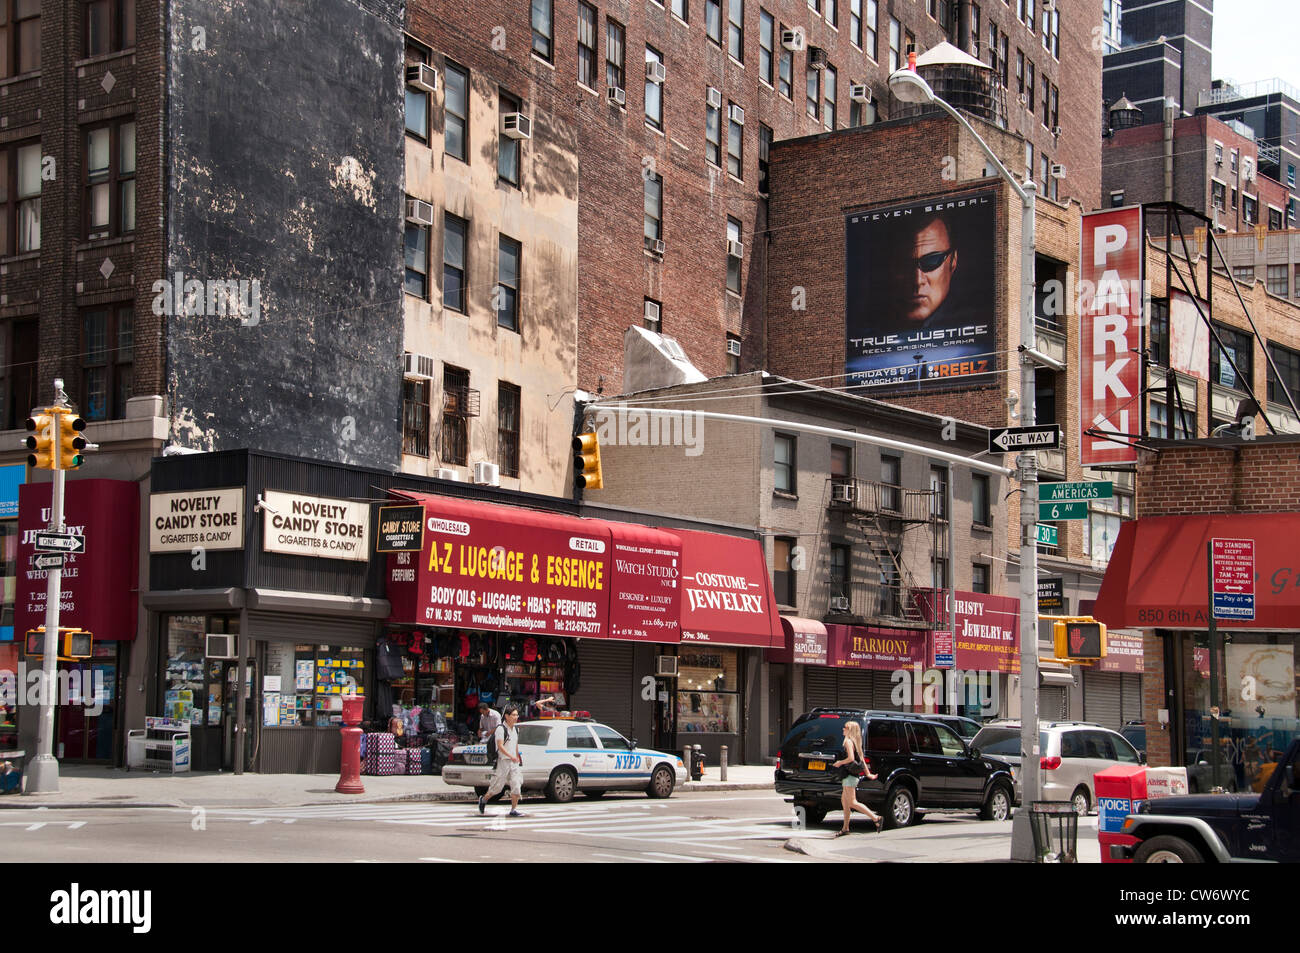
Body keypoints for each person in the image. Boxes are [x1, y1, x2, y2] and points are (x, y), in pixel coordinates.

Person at [831, 721, 882, 836]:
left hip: (849, 776)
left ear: (850, 730)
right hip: (851, 776)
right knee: (845, 801)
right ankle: (845, 828)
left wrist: (840, 762)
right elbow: (862, 760)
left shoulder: (848, 742)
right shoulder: (855, 742)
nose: (843, 729)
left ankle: (876, 818)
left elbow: (851, 758)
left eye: (845, 727)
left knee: (852, 802)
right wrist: (868, 774)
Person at [479, 706, 524, 818]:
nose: (516, 717)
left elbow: (515, 744)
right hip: (503, 761)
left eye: (516, 715)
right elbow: (500, 746)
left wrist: (517, 756)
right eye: (513, 715)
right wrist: (510, 756)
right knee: (497, 787)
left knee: (516, 784)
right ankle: (484, 799)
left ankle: (513, 809)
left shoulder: (516, 729)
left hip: (514, 762)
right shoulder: (501, 729)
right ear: (507, 716)